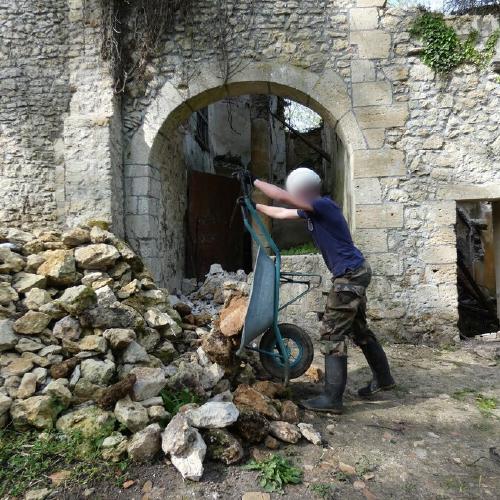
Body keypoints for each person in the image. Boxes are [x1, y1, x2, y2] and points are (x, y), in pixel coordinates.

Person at [250, 165, 395, 414]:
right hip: (354, 272)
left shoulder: (324, 205)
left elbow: (282, 198)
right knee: (359, 329)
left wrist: (255, 181)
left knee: (332, 334)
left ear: (303, 192)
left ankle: (332, 398)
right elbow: (280, 213)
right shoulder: (313, 212)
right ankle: (384, 379)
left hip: (349, 275)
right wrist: (252, 205)